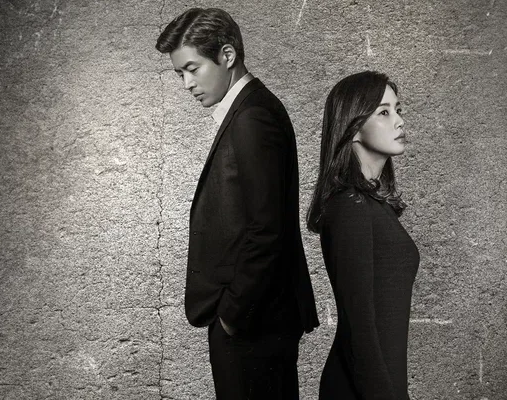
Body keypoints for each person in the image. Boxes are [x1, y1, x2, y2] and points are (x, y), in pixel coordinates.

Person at [156, 8, 319, 399]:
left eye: (192, 69)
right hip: (256, 319)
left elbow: (267, 229)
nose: (187, 84)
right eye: (180, 74)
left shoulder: (252, 118)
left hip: (254, 323)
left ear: (227, 55)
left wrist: (232, 314)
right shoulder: (249, 110)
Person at [307, 71, 419, 399]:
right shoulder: (350, 206)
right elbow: (360, 331)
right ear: (353, 128)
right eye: (384, 112)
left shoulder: (373, 204)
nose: (399, 121)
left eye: (398, 109)